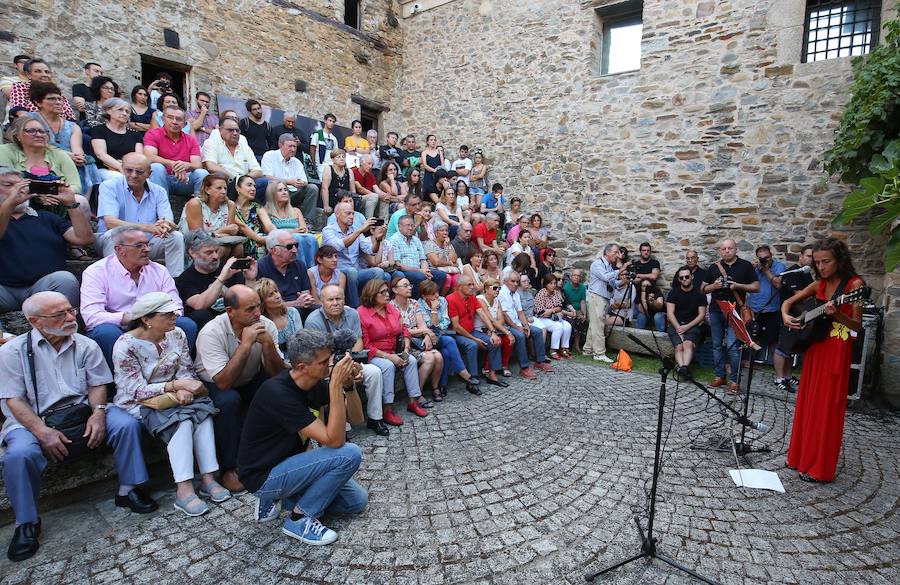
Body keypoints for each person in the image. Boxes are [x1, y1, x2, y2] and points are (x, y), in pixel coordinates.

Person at [1, 292, 157, 561]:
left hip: (82, 410)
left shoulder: (85, 344)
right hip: (33, 419)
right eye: (60, 314)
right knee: (18, 454)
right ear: (35, 321)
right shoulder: (11, 353)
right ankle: (26, 522)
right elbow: (13, 399)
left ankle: (128, 489)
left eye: (71, 310)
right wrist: (41, 431)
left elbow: (98, 384)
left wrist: (97, 414)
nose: (71, 317)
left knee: (126, 423)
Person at [237, 329, 367, 545]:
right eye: (325, 361)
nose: (331, 364)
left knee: (356, 501)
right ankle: (298, 518)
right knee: (349, 453)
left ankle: (289, 497)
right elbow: (335, 441)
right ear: (302, 367)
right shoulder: (277, 393)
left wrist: (348, 386)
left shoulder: (313, 383)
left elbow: (357, 418)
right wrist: (335, 384)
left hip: (291, 465)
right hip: (263, 475)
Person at [112, 292, 228, 517]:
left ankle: (208, 478)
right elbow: (134, 389)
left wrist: (184, 386)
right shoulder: (125, 345)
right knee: (182, 422)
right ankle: (183, 489)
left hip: (178, 395)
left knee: (202, 414)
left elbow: (185, 367)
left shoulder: (177, 334)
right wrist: (174, 386)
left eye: (173, 312)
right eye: (167, 314)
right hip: (142, 402)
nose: (174, 317)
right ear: (147, 319)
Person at [783, 238, 865, 483]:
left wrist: (837, 313)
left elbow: (857, 326)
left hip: (837, 350)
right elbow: (788, 303)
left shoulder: (855, 284)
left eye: (826, 261)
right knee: (808, 403)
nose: (822, 267)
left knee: (826, 408)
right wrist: (786, 315)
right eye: (817, 262)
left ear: (840, 259)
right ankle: (799, 458)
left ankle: (820, 468)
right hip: (816, 348)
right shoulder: (818, 283)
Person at [194, 284, 286, 492]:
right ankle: (229, 469)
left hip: (249, 376)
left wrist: (268, 345)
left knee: (278, 389)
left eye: (258, 307)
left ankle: (276, 452)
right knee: (229, 401)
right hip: (214, 382)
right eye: (250, 309)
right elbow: (223, 382)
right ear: (230, 311)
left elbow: (276, 373)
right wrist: (245, 345)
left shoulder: (265, 324)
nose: (257, 313)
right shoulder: (212, 332)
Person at [81, 225, 198, 366]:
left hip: (156, 323)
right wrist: (131, 317)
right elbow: (91, 316)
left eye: (147, 244)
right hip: (119, 326)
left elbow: (176, 306)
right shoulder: (96, 272)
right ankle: (116, 384)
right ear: (120, 249)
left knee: (186, 325)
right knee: (106, 333)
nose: (147, 249)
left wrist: (155, 321)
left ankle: (177, 373)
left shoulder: (159, 271)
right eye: (139, 246)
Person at [0, 167, 92, 312]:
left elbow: (84, 238)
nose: (19, 190)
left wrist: (71, 204)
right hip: (4, 291)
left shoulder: (46, 217)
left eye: (22, 185)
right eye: (9, 185)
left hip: (43, 288)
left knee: (65, 279)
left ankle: (63, 328)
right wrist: (9, 204)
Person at [304, 284, 388, 435]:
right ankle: (343, 427)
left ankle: (375, 418)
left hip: (350, 358)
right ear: (322, 302)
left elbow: (358, 341)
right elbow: (317, 353)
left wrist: (351, 363)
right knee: (340, 380)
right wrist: (341, 367)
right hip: (326, 366)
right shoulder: (313, 321)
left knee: (374, 372)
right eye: (330, 300)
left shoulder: (352, 313)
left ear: (344, 299)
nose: (335, 303)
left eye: (338, 299)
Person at [97, 152, 184, 274]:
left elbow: (168, 221)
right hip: (115, 243)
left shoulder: (159, 191)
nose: (133, 175)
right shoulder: (109, 186)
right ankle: (115, 279)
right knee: (114, 234)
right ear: (122, 169)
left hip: (146, 244)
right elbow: (110, 222)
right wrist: (147, 228)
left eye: (139, 172)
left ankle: (175, 283)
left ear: (149, 174)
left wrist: (165, 225)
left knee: (175, 237)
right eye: (129, 170)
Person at [358, 279, 430, 422]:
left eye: (387, 291)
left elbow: (403, 330)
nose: (387, 295)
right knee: (388, 366)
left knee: (410, 360)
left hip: (393, 350)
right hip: (375, 353)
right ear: (372, 294)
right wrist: (389, 357)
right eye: (383, 292)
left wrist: (407, 348)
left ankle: (413, 402)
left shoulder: (391, 309)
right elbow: (366, 344)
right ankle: (387, 408)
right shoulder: (362, 313)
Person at [700, 238, 760, 394]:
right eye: (724, 249)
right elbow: (702, 289)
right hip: (715, 310)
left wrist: (738, 286)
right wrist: (714, 286)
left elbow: (756, 287)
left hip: (735, 312)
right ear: (720, 251)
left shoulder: (746, 266)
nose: (727, 251)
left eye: (730, 248)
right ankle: (720, 376)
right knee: (716, 345)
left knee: (734, 347)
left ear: (736, 250)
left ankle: (734, 380)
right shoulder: (714, 267)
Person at [176, 230, 256, 331]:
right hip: (208, 327)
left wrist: (250, 279)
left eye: (216, 251)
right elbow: (199, 305)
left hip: (235, 319)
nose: (215, 256)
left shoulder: (229, 269)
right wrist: (221, 279)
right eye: (209, 252)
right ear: (193, 253)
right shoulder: (184, 279)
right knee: (200, 315)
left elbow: (248, 302)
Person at [26, 83, 95, 197]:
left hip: (69, 161)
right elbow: (32, 143)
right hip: (41, 158)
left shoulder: (72, 126)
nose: (58, 102)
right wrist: (65, 154)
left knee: (86, 164)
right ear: (38, 102)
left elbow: (77, 148)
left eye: (59, 98)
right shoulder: (30, 119)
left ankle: (81, 203)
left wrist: (78, 156)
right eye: (51, 99)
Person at [417, 280, 480, 396]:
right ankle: (464, 373)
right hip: (426, 338)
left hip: (440, 336)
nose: (436, 296)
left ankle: (441, 386)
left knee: (445, 352)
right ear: (424, 296)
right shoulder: (419, 304)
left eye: (437, 292)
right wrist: (434, 311)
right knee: (450, 341)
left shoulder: (442, 300)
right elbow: (430, 327)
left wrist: (436, 326)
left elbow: (446, 321)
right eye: (432, 294)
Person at [390, 276, 444, 402]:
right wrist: (425, 331)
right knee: (430, 358)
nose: (409, 288)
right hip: (403, 343)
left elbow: (421, 324)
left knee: (439, 356)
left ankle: (435, 388)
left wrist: (426, 336)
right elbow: (401, 330)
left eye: (410, 285)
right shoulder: (391, 307)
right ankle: (416, 395)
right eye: (405, 286)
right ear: (395, 290)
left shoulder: (414, 303)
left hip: (418, 341)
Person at [447, 276, 507, 389]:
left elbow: (483, 315)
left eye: (472, 284)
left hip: (471, 331)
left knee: (495, 341)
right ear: (460, 287)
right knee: (473, 345)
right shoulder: (451, 299)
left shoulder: (472, 297)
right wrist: (474, 339)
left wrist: (493, 332)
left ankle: (492, 374)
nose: (472, 287)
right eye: (469, 285)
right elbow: (456, 326)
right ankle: (472, 378)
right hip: (458, 334)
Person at [322, 202, 385, 307]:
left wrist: (378, 240)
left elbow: (370, 250)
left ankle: (374, 305)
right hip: (337, 271)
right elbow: (338, 246)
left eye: (353, 214)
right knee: (352, 272)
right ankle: (355, 307)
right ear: (337, 214)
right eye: (348, 213)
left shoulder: (355, 231)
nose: (351, 216)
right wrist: (360, 230)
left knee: (378, 271)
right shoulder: (328, 230)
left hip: (356, 270)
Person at [0, 116, 82, 197]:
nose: (39, 134)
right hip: (21, 200)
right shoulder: (5, 151)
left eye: (42, 131)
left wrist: (55, 192)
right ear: (18, 135)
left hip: (57, 199)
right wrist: (40, 195)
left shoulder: (59, 155)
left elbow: (76, 186)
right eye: (31, 131)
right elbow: (7, 184)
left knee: (80, 200)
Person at [748, 245, 791, 391]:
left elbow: (779, 285)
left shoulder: (779, 267)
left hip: (772, 310)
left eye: (767, 257)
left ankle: (779, 375)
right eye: (761, 258)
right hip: (754, 310)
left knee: (774, 342)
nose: (764, 260)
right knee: (753, 341)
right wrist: (752, 267)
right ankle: (750, 365)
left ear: (771, 255)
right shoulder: (753, 268)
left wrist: (766, 269)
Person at [144, 105, 208, 197]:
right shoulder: (153, 134)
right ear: (162, 119)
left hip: (184, 180)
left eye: (178, 119)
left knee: (202, 173)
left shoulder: (191, 139)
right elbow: (149, 157)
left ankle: (199, 206)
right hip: (162, 178)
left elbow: (198, 164)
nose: (174, 122)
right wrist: (174, 164)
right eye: (170, 118)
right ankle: (160, 207)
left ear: (184, 123)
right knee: (156, 167)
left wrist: (186, 165)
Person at [178, 172, 242, 259]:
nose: (223, 191)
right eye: (219, 188)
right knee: (222, 249)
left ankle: (228, 272)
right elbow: (197, 237)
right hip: (194, 246)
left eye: (225, 188)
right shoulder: (195, 204)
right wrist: (221, 232)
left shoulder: (230, 205)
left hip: (219, 242)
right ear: (207, 189)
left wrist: (222, 233)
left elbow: (230, 235)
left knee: (239, 248)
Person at [777, 244, 815, 390]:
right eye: (809, 256)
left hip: (801, 316)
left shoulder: (806, 273)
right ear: (801, 256)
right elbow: (801, 296)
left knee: (790, 348)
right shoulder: (793, 272)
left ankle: (787, 376)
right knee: (782, 347)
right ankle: (779, 378)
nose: (811, 260)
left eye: (813, 257)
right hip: (789, 315)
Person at [202, 117, 266, 198]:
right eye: (231, 130)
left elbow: (258, 170)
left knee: (265, 182)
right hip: (225, 181)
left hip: (244, 182)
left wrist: (244, 180)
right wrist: (233, 178)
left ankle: (254, 209)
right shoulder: (211, 143)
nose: (235, 133)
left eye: (237, 130)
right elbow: (210, 166)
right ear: (220, 130)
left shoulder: (244, 146)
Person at [256, 230, 317, 314]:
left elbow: (305, 293)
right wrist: (295, 304)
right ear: (274, 250)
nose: (295, 250)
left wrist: (307, 299)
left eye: (296, 245)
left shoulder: (299, 265)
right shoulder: (261, 267)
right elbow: (264, 305)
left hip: (301, 309)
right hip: (274, 314)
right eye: (289, 247)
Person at [259, 180, 318, 267]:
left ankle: (312, 268)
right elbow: (271, 230)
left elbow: (304, 229)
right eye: (280, 190)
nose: (284, 192)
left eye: (285, 190)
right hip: (279, 242)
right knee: (297, 238)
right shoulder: (264, 211)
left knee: (311, 238)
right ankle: (301, 267)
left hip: (298, 238)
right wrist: (292, 232)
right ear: (272, 194)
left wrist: (296, 231)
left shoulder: (296, 211)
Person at [261, 134, 318, 221]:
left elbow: (304, 181)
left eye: (295, 146)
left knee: (312, 188)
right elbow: (266, 177)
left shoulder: (296, 161)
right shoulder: (269, 156)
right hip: (275, 193)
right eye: (290, 146)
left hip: (293, 193)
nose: (293, 149)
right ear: (280, 145)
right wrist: (289, 181)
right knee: (267, 183)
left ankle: (308, 221)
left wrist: (301, 183)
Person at [583, 244, 623, 363]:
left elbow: (612, 283)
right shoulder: (597, 264)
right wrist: (620, 270)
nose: (617, 255)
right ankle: (599, 353)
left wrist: (623, 280)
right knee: (599, 325)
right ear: (607, 252)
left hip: (603, 298)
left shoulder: (609, 266)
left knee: (594, 324)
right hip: (596, 297)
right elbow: (606, 277)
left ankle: (588, 349)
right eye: (615, 252)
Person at [390, 214, 447, 297]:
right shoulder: (394, 240)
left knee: (441, 275)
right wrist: (420, 271)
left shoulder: (416, 240)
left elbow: (423, 259)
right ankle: (418, 302)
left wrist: (425, 270)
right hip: (404, 271)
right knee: (420, 277)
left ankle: (431, 299)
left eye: (412, 225)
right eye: (407, 225)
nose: (410, 228)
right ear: (399, 226)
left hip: (420, 269)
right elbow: (398, 265)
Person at [666, 266, 708, 376]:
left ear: (692, 277)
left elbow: (702, 315)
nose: (684, 279)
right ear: (679, 279)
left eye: (687, 276)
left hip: (692, 325)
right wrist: (679, 328)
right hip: (675, 325)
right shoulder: (673, 293)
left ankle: (683, 368)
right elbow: (670, 313)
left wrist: (686, 327)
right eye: (681, 278)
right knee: (679, 347)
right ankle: (683, 369)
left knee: (688, 345)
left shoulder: (699, 294)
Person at [91, 97, 144, 181]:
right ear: (109, 111)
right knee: (120, 178)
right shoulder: (99, 130)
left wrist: (128, 168)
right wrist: (120, 167)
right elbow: (101, 154)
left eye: (127, 111)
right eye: (120, 110)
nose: (124, 113)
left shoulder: (135, 134)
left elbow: (138, 157)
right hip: (105, 169)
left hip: (132, 169)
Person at [474, 278, 518, 380]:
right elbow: (490, 319)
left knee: (508, 340)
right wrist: (507, 332)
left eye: (499, 288)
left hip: (492, 328)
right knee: (497, 340)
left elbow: (501, 319)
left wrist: (493, 330)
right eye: (495, 288)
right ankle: (487, 368)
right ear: (486, 289)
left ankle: (504, 366)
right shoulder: (480, 299)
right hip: (480, 329)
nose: (497, 290)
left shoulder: (497, 300)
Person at [7, 59, 78, 121]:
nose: (44, 75)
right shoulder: (21, 87)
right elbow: (20, 111)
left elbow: (71, 119)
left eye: (47, 72)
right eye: (38, 71)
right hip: (32, 129)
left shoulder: (58, 94)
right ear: (28, 74)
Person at [532, 273, 575, 360]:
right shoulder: (541, 294)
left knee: (567, 326)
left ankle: (563, 348)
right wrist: (553, 311)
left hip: (554, 317)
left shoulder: (556, 293)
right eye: (551, 283)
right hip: (542, 318)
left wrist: (551, 310)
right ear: (546, 284)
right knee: (558, 327)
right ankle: (553, 350)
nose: (553, 285)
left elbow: (560, 307)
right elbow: (540, 312)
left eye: (554, 283)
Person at [254, 277, 303, 351]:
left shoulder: (292, 312)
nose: (277, 296)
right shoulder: (263, 323)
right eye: (271, 295)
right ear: (262, 302)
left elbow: (302, 342)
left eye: (276, 291)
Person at [233, 174, 267, 258]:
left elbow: (269, 224)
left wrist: (276, 234)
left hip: (259, 242)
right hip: (240, 243)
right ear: (237, 188)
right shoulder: (230, 206)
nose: (253, 189)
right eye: (249, 185)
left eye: (254, 186)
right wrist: (260, 239)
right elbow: (242, 226)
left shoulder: (256, 206)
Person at [424, 222, 462, 292]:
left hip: (448, 270)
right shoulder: (429, 244)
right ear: (436, 233)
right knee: (448, 278)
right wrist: (450, 263)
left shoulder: (448, 244)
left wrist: (449, 245)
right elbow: (436, 262)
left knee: (457, 278)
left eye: (446, 230)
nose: (445, 233)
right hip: (434, 270)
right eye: (442, 230)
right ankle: (442, 297)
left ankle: (452, 298)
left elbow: (454, 260)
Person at [320, 148, 357, 216]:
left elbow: (353, 191)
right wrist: (326, 205)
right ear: (333, 159)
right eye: (338, 157)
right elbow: (324, 188)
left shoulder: (349, 171)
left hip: (346, 200)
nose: (342, 159)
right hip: (332, 198)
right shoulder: (328, 169)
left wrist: (352, 206)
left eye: (343, 157)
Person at [563, 268, 588, 352]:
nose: (576, 277)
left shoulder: (582, 287)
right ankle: (570, 344)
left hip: (578, 310)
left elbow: (583, 301)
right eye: (574, 275)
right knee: (577, 319)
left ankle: (577, 344)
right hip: (569, 309)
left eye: (578, 276)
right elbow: (566, 303)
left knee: (583, 319)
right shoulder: (566, 287)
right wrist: (576, 313)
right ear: (571, 277)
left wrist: (584, 314)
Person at [351, 154, 382, 218]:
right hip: (357, 198)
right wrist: (376, 195)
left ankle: (384, 222)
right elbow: (360, 189)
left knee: (384, 200)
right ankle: (368, 221)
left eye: (372, 165)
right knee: (374, 196)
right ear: (361, 163)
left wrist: (385, 196)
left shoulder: (370, 175)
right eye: (369, 164)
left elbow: (377, 189)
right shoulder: (353, 171)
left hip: (369, 197)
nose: (371, 166)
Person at [310, 113, 339, 179]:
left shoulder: (334, 138)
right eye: (330, 120)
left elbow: (335, 153)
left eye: (333, 122)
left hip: (331, 166)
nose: (331, 123)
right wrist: (314, 164)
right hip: (320, 165)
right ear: (325, 121)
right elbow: (312, 148)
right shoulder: (317, 134)